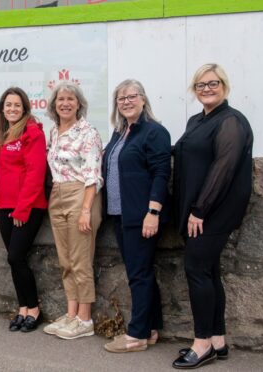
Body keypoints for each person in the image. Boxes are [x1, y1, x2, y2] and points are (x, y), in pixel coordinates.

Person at [172, 64, 253, 369]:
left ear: (224, 86)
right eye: (201, 85)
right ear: (195, 90)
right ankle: (217, 339)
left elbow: (224, 169)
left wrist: (199, 210)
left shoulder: (231, 121)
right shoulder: (198, 120)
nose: (207, 89)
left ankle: (202, 342)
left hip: (213, 212)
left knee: (196, 270)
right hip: (200, 210)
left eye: (213, 83)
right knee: (208, 272)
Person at [102, 79, 171, 353]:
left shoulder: (154, 132)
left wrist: (153, 212)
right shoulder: (120, 133)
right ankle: (152, 328)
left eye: (132, 96)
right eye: (121, 98)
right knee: (140, 272)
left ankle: (137, 335)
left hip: (141, 215)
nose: (126, 102)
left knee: (138, 274)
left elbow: (161, 174)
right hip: (120, 214)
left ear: (143, 99)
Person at [0, 87, 48, 333]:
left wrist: (22, 210)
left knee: (16, 257)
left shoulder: (32, 133)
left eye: (17, 105)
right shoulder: (5, 132)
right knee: (15, 260)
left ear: (25, 108)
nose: (12, 109)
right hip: (3, 204)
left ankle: (34, 309)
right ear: (2, 108)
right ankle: (23, 309)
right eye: (8, 105)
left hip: (27, 206)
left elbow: (36, 173)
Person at [40, 82, 103, 340]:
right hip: (58, 193)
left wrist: (86, 209)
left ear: (79, 104)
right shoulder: (54, 132)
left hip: (81, 194)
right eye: (60, 99)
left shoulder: (88, 132)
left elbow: (93, 175)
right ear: (54, 105)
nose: (65, 103)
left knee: (80, 259)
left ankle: (85, 319)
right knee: (66, 260)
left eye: (70, 99)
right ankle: (71, 313)